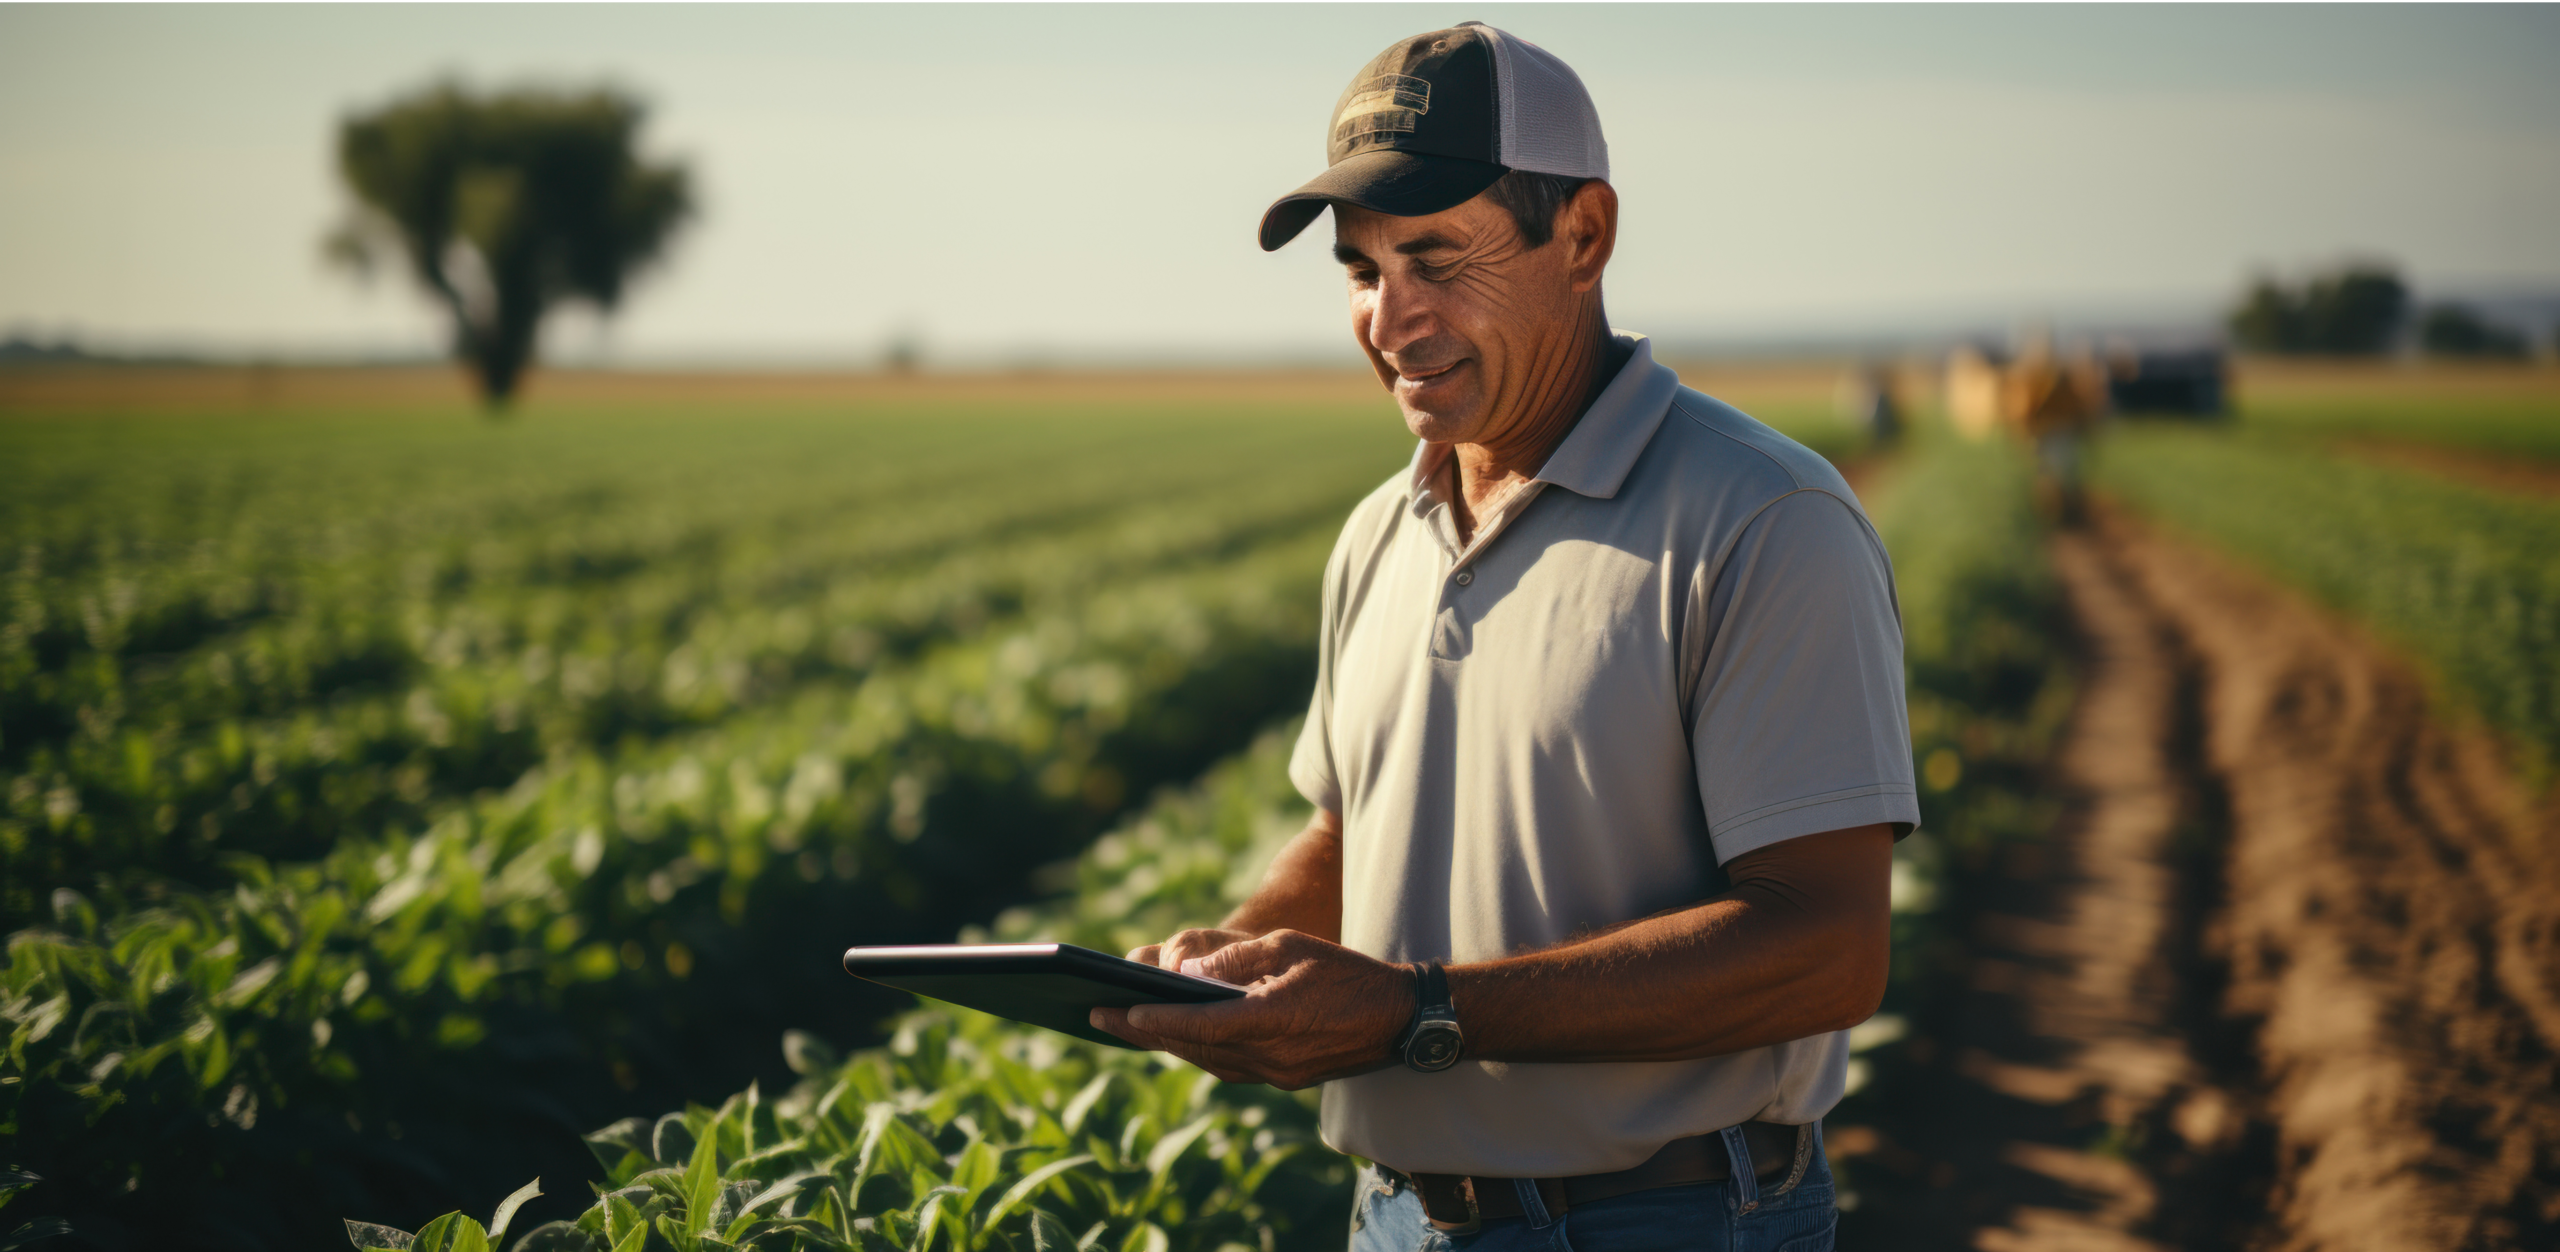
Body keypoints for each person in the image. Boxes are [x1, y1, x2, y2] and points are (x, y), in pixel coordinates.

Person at [1091, 24, 1916, 1252]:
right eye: (1362, 271)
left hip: (1664, 1217)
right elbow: (1346, 826)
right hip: (1391, 1218)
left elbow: (1826, 948)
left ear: (1582, 236)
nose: (1391, 319)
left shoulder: (1760, 518)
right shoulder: (1382, 530)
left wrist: (1418, 1011)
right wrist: (1236, 964)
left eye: (1435, 258)